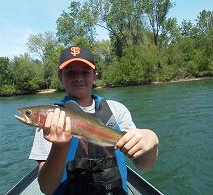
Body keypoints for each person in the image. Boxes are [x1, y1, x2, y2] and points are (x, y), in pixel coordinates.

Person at [29, 46, 159, 195]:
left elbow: (144, 165)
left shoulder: (117, 110)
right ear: (60, 76)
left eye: (85, 72)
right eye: (71, 72)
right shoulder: (51, 119)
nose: (78, 77)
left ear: (95, 76)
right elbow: (47, 188)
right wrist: (60, 147)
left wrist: (152, 140)